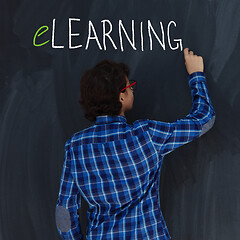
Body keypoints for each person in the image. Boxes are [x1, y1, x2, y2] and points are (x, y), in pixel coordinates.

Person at [55, 48, 216, 239]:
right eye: (129, 86)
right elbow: (205, 120)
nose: (132, 88)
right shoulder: (147, 135)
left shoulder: (75, 147)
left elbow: (65, 211)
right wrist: (196, 75)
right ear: (121, 96)